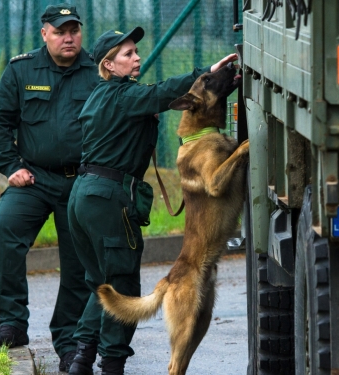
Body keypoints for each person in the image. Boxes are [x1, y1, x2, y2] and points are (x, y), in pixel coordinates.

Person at [65, 27, 238, 375]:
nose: (136, 57)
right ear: (108, 65)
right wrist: (205, 74)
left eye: (135, 51)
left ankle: (80, 359)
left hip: (81, 197)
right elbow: (162, 94)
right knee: (123, 282)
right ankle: (112, 364)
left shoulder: (98, 97)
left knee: (100, 282)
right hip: (108, 198)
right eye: (126, 54)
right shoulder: (122, 95)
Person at [0, 3, 99, 372]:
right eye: (60, 30)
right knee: (6, 229)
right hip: (33, 178)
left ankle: (69, 342)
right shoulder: (21, 70)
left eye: (74, 30)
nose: (69, 37)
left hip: (80, 181)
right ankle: (13, 324)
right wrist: (11, 166)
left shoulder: (97, 70)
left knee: (79, 264)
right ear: (45, 34)